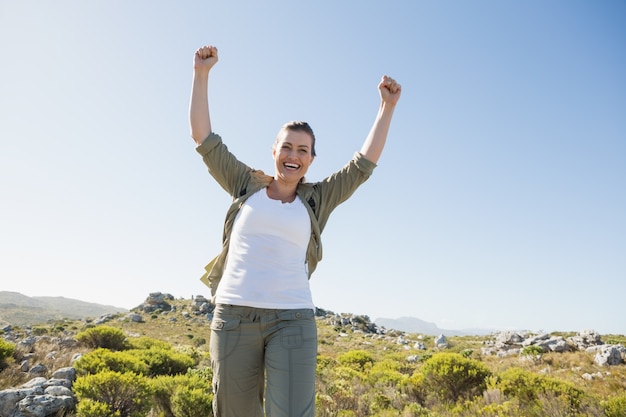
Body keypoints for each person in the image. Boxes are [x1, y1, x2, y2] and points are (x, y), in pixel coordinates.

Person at [189, 45, 401, 417]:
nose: (294, 154)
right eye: (286, 146)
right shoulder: (245, 184)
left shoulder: (318, 199)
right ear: (274, 151)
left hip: (293, 318)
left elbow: (362, 165)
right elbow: (204, 139)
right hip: (234, 316)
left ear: (311, 160)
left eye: (303, 149)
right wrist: (201, 74)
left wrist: (386, 108)